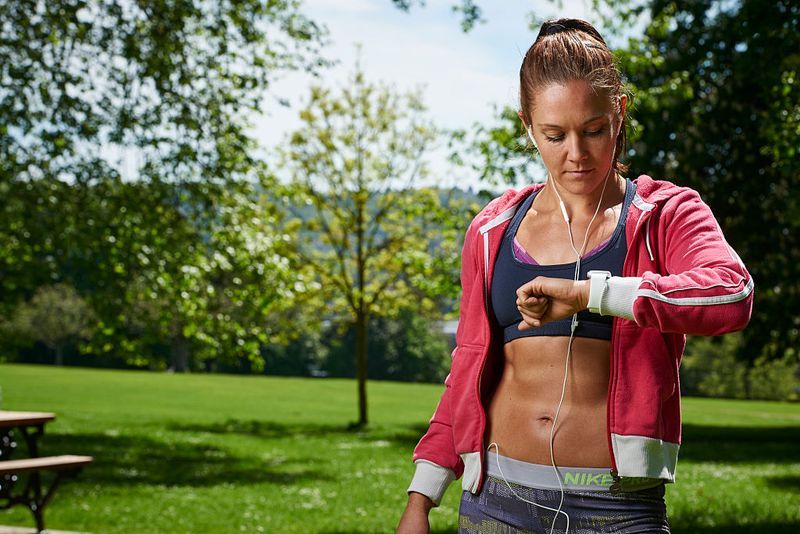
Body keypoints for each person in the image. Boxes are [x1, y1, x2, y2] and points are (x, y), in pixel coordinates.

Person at [396, 18, 754, 534]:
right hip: (494, 499)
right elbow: (467, 368)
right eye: (554, 134)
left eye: (593, 130)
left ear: (619, 113)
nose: (576, 154)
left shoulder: (666, 214)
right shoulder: (491, 230)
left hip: (618, 506)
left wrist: (591, 295)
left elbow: (731, 295)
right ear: (527, 124)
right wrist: (421, 496)